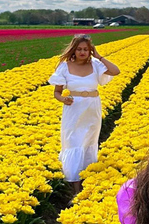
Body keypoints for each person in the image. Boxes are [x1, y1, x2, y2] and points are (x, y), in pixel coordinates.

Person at [49, 34, 120, 195]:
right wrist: (63, 99)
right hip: (74, 109)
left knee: (88, 141)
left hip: (92, 109)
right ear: (73, 50)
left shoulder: (96, 65)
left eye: (86, 49)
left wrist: (99, 56)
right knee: (74, 142)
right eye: (79, 49)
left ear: (90, 51)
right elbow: (57, 92)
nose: (82, 52)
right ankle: (75, 187)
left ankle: (88, 180)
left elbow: (116, 71)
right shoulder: (64, 67)